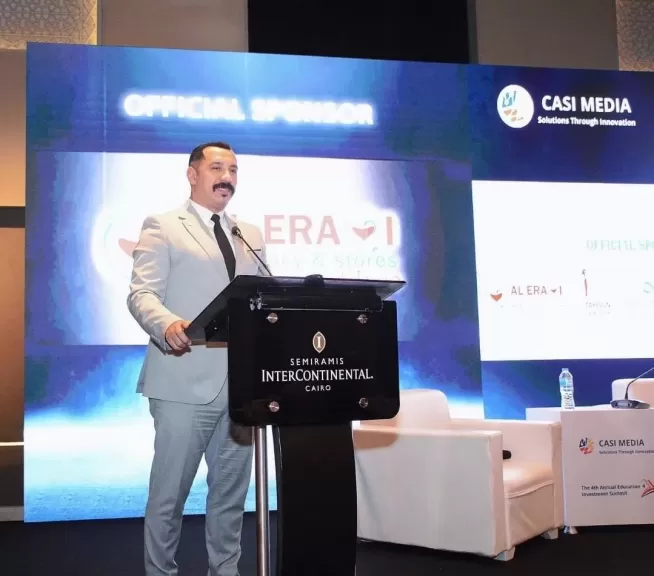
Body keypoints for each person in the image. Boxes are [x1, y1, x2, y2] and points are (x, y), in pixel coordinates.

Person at [127, 142, 269, 576]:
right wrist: (166, 323)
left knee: (230, 497)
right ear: (192, 174)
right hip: (182, 380)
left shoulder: (249, 234)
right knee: (168, 498)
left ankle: (225, 571)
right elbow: (141, 294)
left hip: (240, 388)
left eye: (233, 170)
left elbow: (261, 299)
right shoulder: (164, 226)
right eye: (217, 168)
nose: (227, 177)